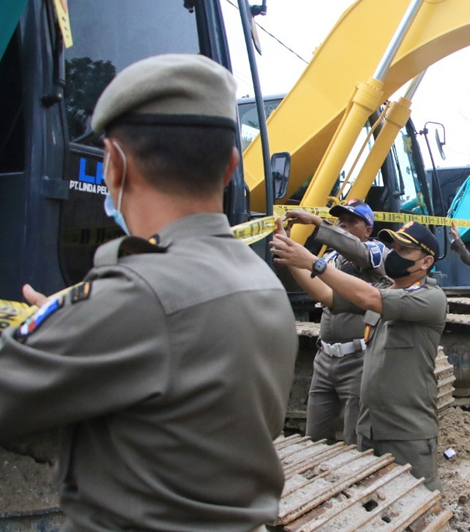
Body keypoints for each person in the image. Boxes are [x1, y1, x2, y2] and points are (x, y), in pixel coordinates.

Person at [0, 54, 297, 531]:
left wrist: (69, 322)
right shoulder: (257, 278)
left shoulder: (141, 294)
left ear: (114, 165)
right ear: (230, 168)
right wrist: (77, 319)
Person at [270, 220, 446, 492]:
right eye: (394, 247)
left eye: (404, 251)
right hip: (370, 428)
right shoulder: (387, 291)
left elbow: (368, 299)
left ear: (426, 262)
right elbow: (328, 296)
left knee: (416, 501)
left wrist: (316, 263)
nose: (394, 255)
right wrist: (294, 257)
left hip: (406, 432)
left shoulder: (430, 298)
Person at [282, 200, 389, 446]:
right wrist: (289, 251)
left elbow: (358, 252)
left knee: (356, 439)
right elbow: (317, 289)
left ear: (368, 230)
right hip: (326, 357)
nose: (345, 226)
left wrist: (319, 223)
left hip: (358, 358)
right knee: (315, 436)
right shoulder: (330, 259)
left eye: (353, 222)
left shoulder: (376, 252)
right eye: (341, 222)